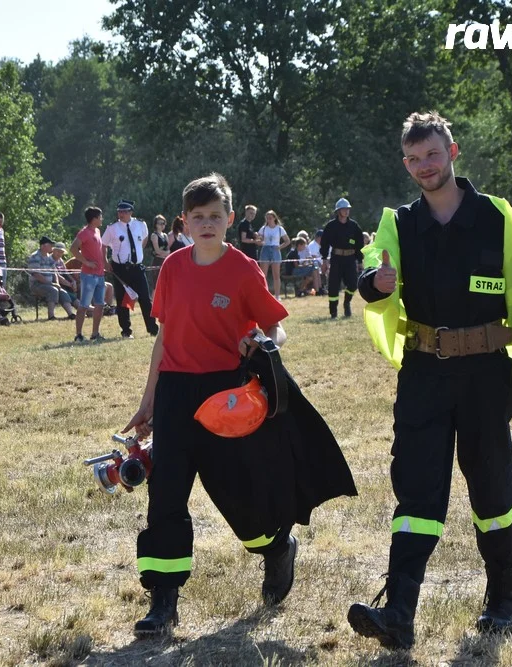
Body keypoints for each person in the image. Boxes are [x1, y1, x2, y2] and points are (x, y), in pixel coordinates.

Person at [347, 112, 512, 650]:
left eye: (433, 154)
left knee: (491, 484)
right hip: (423, 373)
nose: (424, 166)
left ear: (453, 152)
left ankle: (503, 599)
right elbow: (372, 276)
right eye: (414, 158)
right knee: (417, 489)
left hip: (485, 374)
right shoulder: (397, 224)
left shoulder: (497, 219)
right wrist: (377, 284)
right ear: (406, 165)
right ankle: (398, 610)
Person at [122, 172, 356, 639]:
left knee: (236, 493)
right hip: (175, 391)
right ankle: (163, 599)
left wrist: (262, 342)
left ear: (230, 218)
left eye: (215, 216)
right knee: (165, 493)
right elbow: (164, 337)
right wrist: (147, 401)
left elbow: (277, 328)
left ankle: (275, 547)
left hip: (226, 394)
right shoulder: (171, 267)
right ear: (183, 223)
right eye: (197, 217)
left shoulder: (244, 269)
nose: (206, 224)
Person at [101, 200, 158, 339]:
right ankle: (126, 331)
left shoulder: (140, 224)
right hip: (120, 268)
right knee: (122, 300)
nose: (121, 214)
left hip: (136, 267)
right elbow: (103, 245)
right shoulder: (112, 228)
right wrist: (105, 261)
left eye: (125, 211)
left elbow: (143, 240)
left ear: (131, 212)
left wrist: (137, 254)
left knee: (145, 298)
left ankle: (152, 329)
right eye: (119, 211)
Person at [320, 198, 365, 318]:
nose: (346, 211)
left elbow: (359, 244)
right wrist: (324, 260)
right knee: (333, 286)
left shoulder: (354, 226)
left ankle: (347, 302)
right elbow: (324, 243)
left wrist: (360, 260)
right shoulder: (331, 226)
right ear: (338, 211)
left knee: (353, 284)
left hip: (350, 259)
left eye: (348, 209)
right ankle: (333, 312)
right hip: (336, 259)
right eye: (344, 209)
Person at [71, 206, 108, 343]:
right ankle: (79, 334)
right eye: (100, 216)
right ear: (94, 219)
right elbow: (73, 249)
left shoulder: (97, 231)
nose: (101, 219)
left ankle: (95, 333)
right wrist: (86, 262)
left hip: (99, 275)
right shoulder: (84, 233)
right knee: (84, 305)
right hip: (88, 276)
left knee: (100, 305)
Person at [29, 236, 74, 320]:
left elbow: (55, 273)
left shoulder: (49, 258)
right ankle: (51, 316)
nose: (51, 247)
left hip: (50, 284)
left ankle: (71, 314)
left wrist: (56, 283)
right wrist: (51, 284)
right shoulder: (35, 257)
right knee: (53, 290)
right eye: (50, 245)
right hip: (36, 284)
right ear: (43, 246)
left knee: (62, 291)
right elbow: (36, 274)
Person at [256, 210, 290, 299]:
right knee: (263, 274)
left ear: (274, 218)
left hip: (275, 249)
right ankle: (263, 294)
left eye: (270, 218)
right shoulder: (263, 228)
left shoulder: (279, 229)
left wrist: (280, 247)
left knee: (276, 274)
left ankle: (277, 295)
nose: (268, 220)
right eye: (267, 218)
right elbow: (258, 239)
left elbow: (287, 241)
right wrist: (259, 241)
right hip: (266, 249)